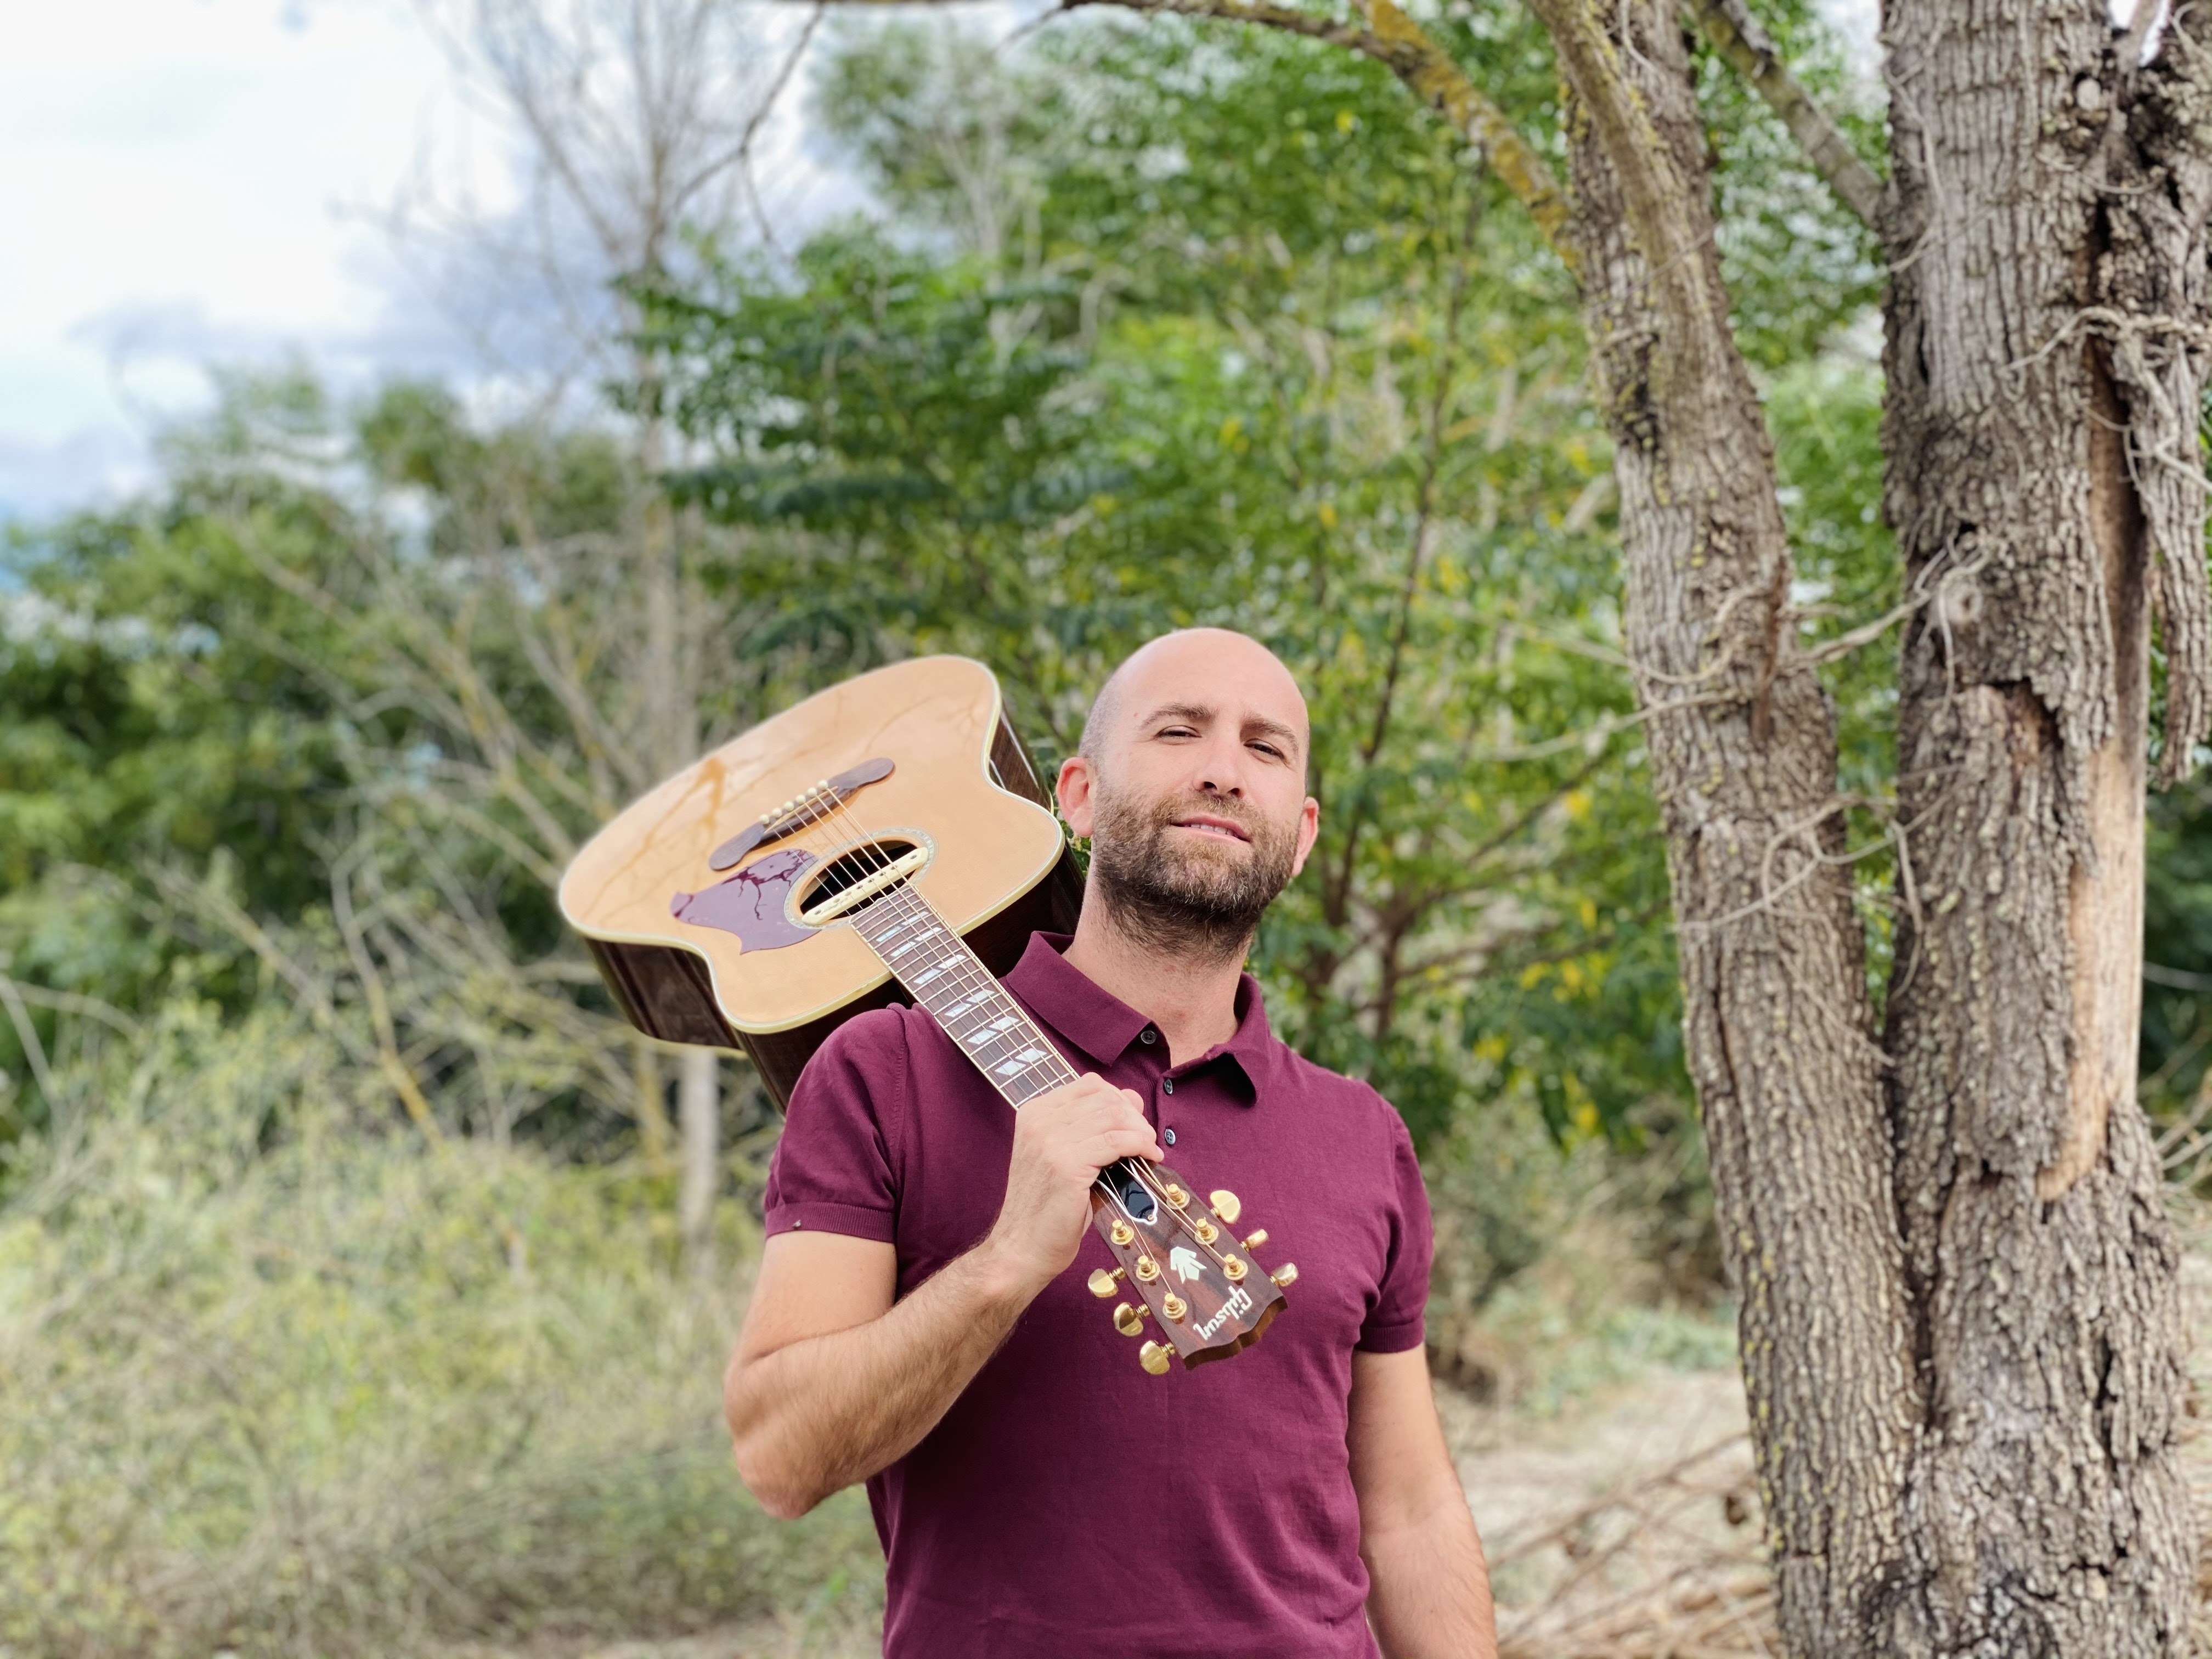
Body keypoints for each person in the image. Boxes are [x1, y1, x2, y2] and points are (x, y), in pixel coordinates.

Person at [723, 628, 1495, 1658]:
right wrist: (1004, 1267)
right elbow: (780, 1458)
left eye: (1266, 749)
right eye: (1178, 731)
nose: (1223, 768)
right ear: (1077, 796)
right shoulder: (887, 1071)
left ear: (1301, 835)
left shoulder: (1362, 1136)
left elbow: (1408, 1512)